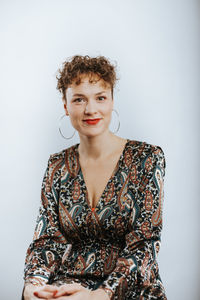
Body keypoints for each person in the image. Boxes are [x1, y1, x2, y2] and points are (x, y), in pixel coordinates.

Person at [22, 55, 167, 300]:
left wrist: (99, 295)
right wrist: (33, 286)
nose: (91, 109)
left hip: (129, 289)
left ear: (111, 101)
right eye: (79, 99)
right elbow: (47, 240)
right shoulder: (57, 165)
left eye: (100, 97)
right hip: (69, 287)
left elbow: (145, 245)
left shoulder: (147, 158)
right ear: (66, 105)